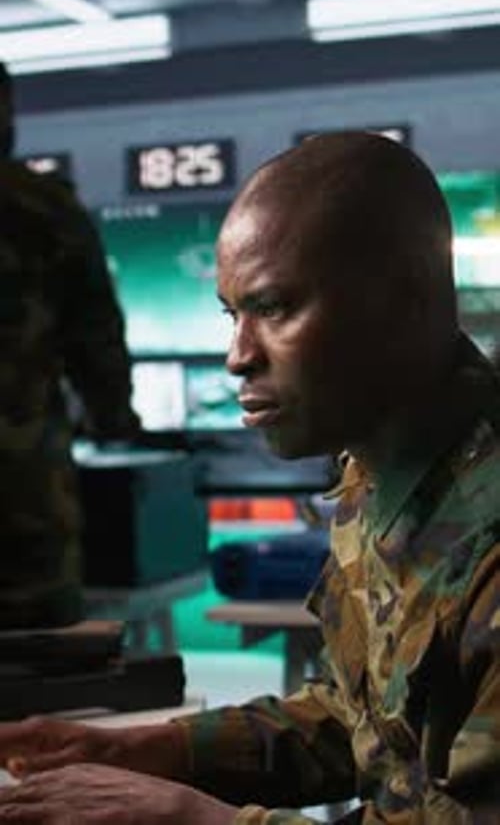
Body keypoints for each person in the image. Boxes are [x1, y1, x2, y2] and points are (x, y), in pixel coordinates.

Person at [0, 131, 498, 822]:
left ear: (404, 299)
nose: (236, 357)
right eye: (233, 315)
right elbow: (363, 723)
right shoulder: (379, 467)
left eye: (273, 308)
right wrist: (162, 750)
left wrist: (192, 817)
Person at [0, 62, 141, 629]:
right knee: (38, 675)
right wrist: (113, 420)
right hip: (18, 503)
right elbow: (98, 346)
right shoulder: (42, 211)